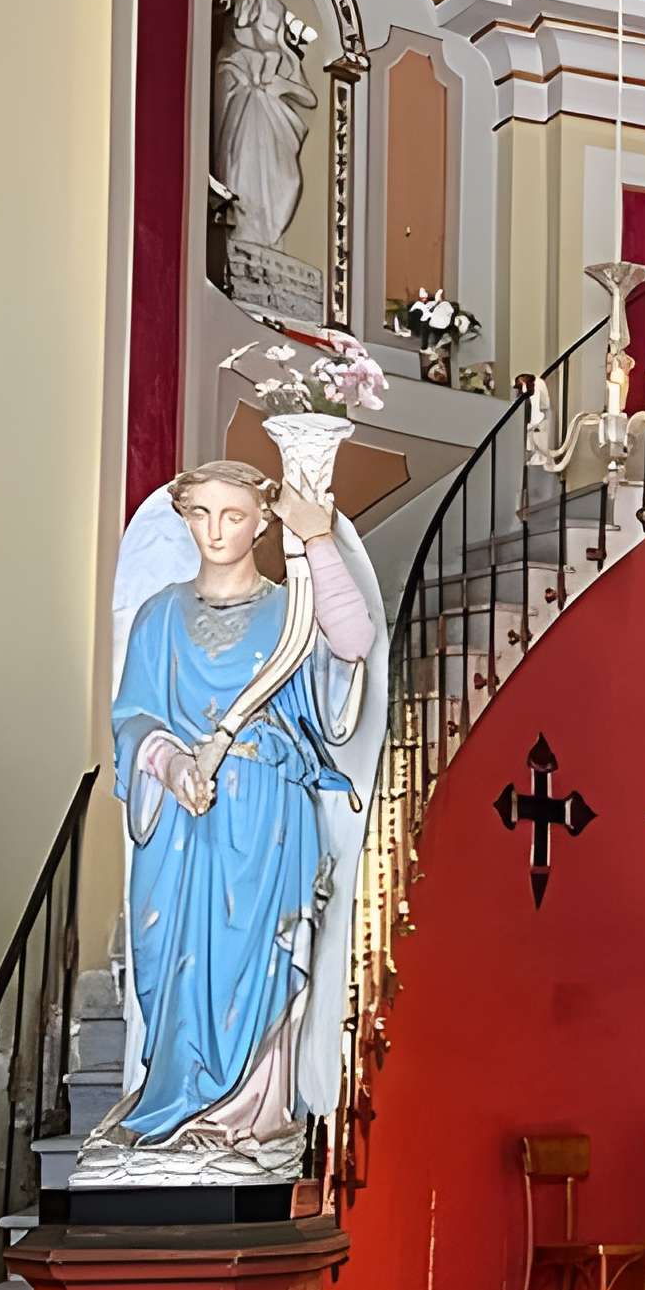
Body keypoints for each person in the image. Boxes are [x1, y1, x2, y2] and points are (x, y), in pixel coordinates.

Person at [91, 460, 375, 1170]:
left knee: (252, 963)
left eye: (233, 515)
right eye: (200, 515)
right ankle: (172, 1099)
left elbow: (354, 645)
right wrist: (173, 765)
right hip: (182, 820)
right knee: (171, 959)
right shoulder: (160, 615)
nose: (215, 531)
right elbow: (132, 719)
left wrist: (319, 542)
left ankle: (249, 1112)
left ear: (261, 522)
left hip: (263, 819)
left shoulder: (290, 611)